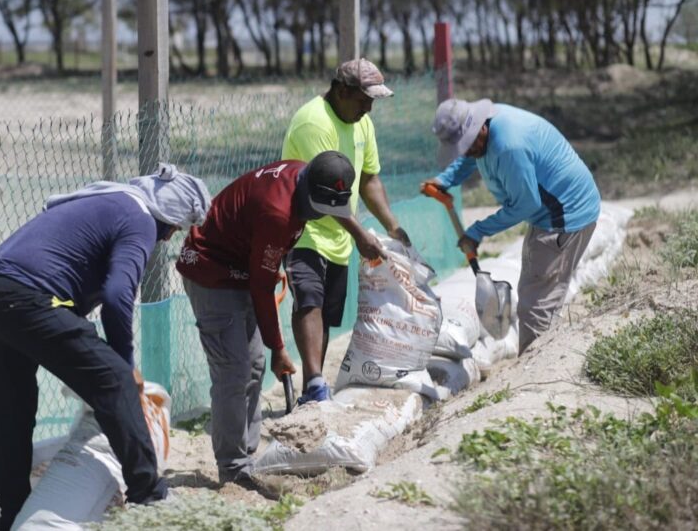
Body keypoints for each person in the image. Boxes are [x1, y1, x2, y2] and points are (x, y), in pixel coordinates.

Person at [0, 164, 211, 530]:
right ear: (169, 217)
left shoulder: (110, 200)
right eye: (176, 228)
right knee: (115, 378)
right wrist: (125, 366)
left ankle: (14, 516)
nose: (168, 238)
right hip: (25, 295)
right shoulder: (139, 218)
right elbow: (117, 296)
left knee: (12, 410)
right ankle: (150, 495)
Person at [176, 151, 356, 487]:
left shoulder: (305, 175)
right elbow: (261, 288)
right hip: (211, 271)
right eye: (325, 209)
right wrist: (279, 347)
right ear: (311, 195)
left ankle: (248, 454)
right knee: (233, 371)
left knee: (255, 365)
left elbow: (262, 274)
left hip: (241, 267)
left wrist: (271, 349)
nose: (325, 217)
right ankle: (233, 468)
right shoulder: (278, 212)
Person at [423, 98, 601, 353]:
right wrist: (446, 180)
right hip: (552, 211)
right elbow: (470, 157)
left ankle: (538, 372)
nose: (466, 151)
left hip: (564, 218)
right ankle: (540, 360)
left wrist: (477, 232)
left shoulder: (509, 146)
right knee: (536, 292)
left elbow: (525, 205)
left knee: (536, 307)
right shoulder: (489, 126)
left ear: (478, 128)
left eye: (467, 144)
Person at [281, 57, 410, 404]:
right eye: (363, 99)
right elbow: (324, 195)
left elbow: (369, 179)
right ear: (341, 91)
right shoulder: (314, 123)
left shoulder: (361, 123)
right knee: (309, 300)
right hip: (304, 228)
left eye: (373, 101)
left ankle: (314, 390)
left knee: (327, 314)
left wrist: (392, 227)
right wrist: (361, 235)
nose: (369, 108)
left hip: (338, 234)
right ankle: (314, 384)